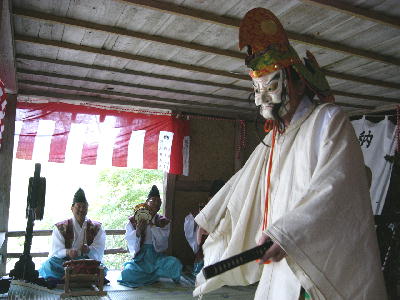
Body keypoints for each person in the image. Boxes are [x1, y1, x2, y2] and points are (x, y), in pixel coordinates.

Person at [193, 8, 387, 300]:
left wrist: (289, 232)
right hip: (279, 253)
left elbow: (337, 187)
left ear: (297, 81)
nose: (262, 98)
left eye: (271, 86)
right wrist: (210, 217)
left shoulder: (328, 120)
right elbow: (244, 178)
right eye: (257, 89)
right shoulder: (276, 137)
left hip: (317, 259)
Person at [118, 185, 182, 287]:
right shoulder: (134, 220)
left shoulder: (162, 221)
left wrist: (152, 226)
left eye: (158, 202)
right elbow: (130, 239)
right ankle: (154, 276)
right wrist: (138, 231)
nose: (156, 204)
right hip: (141, 257)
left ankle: (151, 275)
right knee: (127, 272)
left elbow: (163, 242)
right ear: (147, 202)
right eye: (153, 200)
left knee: (175, 263)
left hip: (156, 256)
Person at [39, 188, 106, 281]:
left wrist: (88, 249)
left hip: (87, 262)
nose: (81, 209)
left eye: (84, 206)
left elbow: (99, 247)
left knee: (102, 268)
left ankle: (69, 278)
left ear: (87, 208)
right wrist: (67, 252)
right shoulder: (61, 227)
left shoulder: (96, 227)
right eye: (78, 206)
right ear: (72, 208)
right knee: (49, 265)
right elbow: (56, 250)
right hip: (65, 262)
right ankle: (83, 278)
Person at [184, 180, 225, 276]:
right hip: (205, 244)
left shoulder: (226, 208)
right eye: (213, 199)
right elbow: (195, 227)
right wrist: (199, 216)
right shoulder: (204, 209)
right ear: (209, 198)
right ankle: (201, 262)